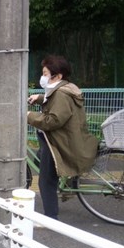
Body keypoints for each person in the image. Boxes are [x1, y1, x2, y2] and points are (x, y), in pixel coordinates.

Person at [27, 55, 98, 220]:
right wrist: (38, 98)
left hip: (59, 143)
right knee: (39, 160)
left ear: (57, 76)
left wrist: (30, 116)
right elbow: (51, 101)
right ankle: (65, 181)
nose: (43, 77)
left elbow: (54, 120)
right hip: (58, 140)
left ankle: (51, 218)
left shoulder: (61, 94)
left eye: (45, 74)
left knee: (45, 181)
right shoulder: (66, 88)